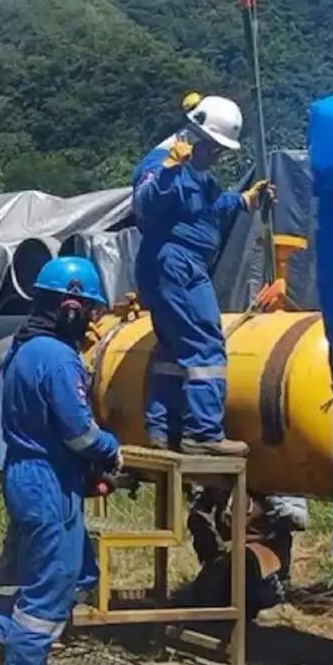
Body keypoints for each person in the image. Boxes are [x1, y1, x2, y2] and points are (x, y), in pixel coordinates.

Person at [0, 257, 121, 665]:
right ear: (72, 307)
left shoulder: (22, 349)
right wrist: (111, 449)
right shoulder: (58, 359)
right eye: (92, 312)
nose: (94, 324)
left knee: (79, 570)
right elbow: (78, 432)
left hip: (32, 475)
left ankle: (0, 630)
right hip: (47, 481)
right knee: (49, 588)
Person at [131, 92, 270, 456]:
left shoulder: (197, 173)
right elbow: (144, 206)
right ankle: (204, 433)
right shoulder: (163, 164)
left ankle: (164, 430)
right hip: (176, 265)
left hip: (175, 266)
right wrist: (167, 173)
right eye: (216, 147)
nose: (219, 155)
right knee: (206, 343)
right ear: (196, 136)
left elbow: (207, 207)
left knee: (174, 349)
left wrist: (243, 201)